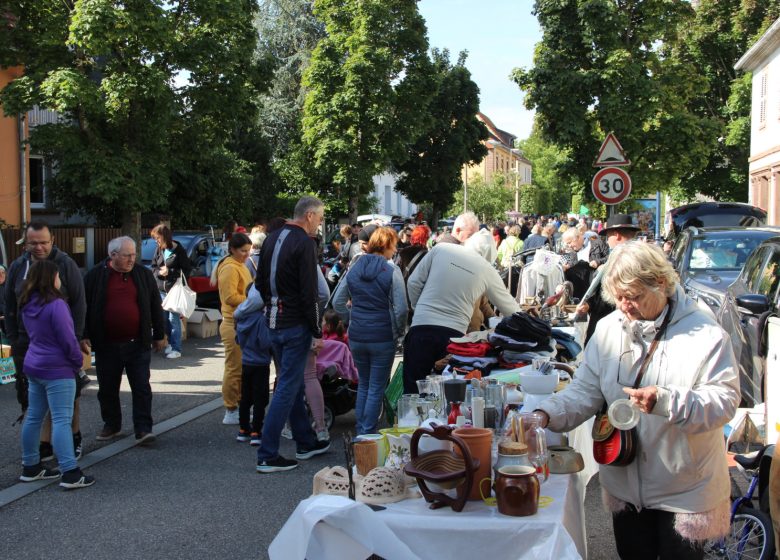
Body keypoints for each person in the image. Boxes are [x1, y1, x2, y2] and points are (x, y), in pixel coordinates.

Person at [536, 242, 740, 560]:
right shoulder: (607, 330)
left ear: (661, 283)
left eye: (633, 296)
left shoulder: (705, 334)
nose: (625, 306)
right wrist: (544, 413)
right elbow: (584, 392)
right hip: (625, 488)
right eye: (618, 297)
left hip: (685, 492)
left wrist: (666, 401)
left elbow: (723, 402)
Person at [255, 196, 330, 472]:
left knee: (292, 383)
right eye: (320, 218)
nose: (319, 224)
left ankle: (305, 441)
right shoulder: (304, 243)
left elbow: (260, 283)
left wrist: (273, 305)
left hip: (273, 321)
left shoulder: (272, 237)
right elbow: (310, 293)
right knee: (287, 387)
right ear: (309, 215)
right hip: (294, 324)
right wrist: (315, 329)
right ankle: (267, 453)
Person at [403, 217, 520, 393]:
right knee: (447, 394)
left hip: (420, 329)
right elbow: (511, 309)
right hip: (453, 336)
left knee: (413, 391)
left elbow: (413, 283)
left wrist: (419, 308)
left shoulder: (440, 249)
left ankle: (411, 419)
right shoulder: (486, 269)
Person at [5, 222, 87, 462]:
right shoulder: (18, 266)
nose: (39, 247)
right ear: (25, 242)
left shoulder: (65, 264)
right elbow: (9, 305)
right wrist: (13, 337)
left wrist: (77, 338)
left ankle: (73, 440)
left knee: (68, 398)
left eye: (44, 242)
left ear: (52, 241)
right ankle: (44, 449)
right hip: (26, 344)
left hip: (61, 343)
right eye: (34, 243)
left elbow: (79, 303)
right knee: (30, 401)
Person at [18, 260, 95, 489]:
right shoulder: (57, 305)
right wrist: (76, 363)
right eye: (58, 275)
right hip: (58, 367)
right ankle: (70, 471)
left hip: (35, 364)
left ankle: (30, 466)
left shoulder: (27, 302)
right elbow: (68, 338)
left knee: (33, 416)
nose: (60, 279)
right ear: (51, 278)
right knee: (62, 419)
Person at [84, 236, 166, 445]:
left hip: (137, 343)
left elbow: (155, 304)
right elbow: (84, 306)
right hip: (106, 344)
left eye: (133, 255)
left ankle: (143, 429)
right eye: (126, 255)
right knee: (108, 388)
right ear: (112, 256)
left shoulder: (142, 274)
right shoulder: (95, 276)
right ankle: (112, 424)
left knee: (141, 387)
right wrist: (83, 334)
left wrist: (159, 333)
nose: (131, 259)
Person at [332, 226, 408, 435]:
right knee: (376, 386)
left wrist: (351, 320)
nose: (395, 251)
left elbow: (338, 302)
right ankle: (367, 433)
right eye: (394, 247)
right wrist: (398, 332)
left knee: (364, 384)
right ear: (386, 246)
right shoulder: (391, 270)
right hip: (383, 336)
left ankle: (360, 429)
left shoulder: (354, 267)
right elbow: (401, 308)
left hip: (357, 334)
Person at [576, 214, 640, 344]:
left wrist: (590, 304)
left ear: (616, 235)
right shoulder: (642, 257)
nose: (607, 240)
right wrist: (589, 304)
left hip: (612, 324)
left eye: (608, 236)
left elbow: (608, 295)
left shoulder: (621, 259)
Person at [211, 232, 253, 425]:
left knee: (242, 368)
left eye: (248, 250)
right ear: (233, 250)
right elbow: (230, 298)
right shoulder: (229, 268)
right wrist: (254, 300)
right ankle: (231, 408)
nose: (247, 254)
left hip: (241, 322)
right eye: (243, 251)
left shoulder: (238, 265)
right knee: (234, 368)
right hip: (232, 323)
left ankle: (239, 405)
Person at [233, 284, 271, 446]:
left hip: (246, 361)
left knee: (245, 397)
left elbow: (238, 340)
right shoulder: (261, 319)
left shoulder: (241, 318)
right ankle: (256, 431)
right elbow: (265, 342)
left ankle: (243, 429)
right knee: (260, 398)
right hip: (261, 363)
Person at [150, 224, 190, 360]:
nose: (156, 241)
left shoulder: (179, 250)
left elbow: (186, 269)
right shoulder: (158, 250)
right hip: (161, 289)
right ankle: (170, 344)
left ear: (164, 236)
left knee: (174, 319)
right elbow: (153, 267)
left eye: (157, 238)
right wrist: (159, 274)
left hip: (174, 290)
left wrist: (171, 272)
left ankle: (176, 348)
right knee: (164, 319)